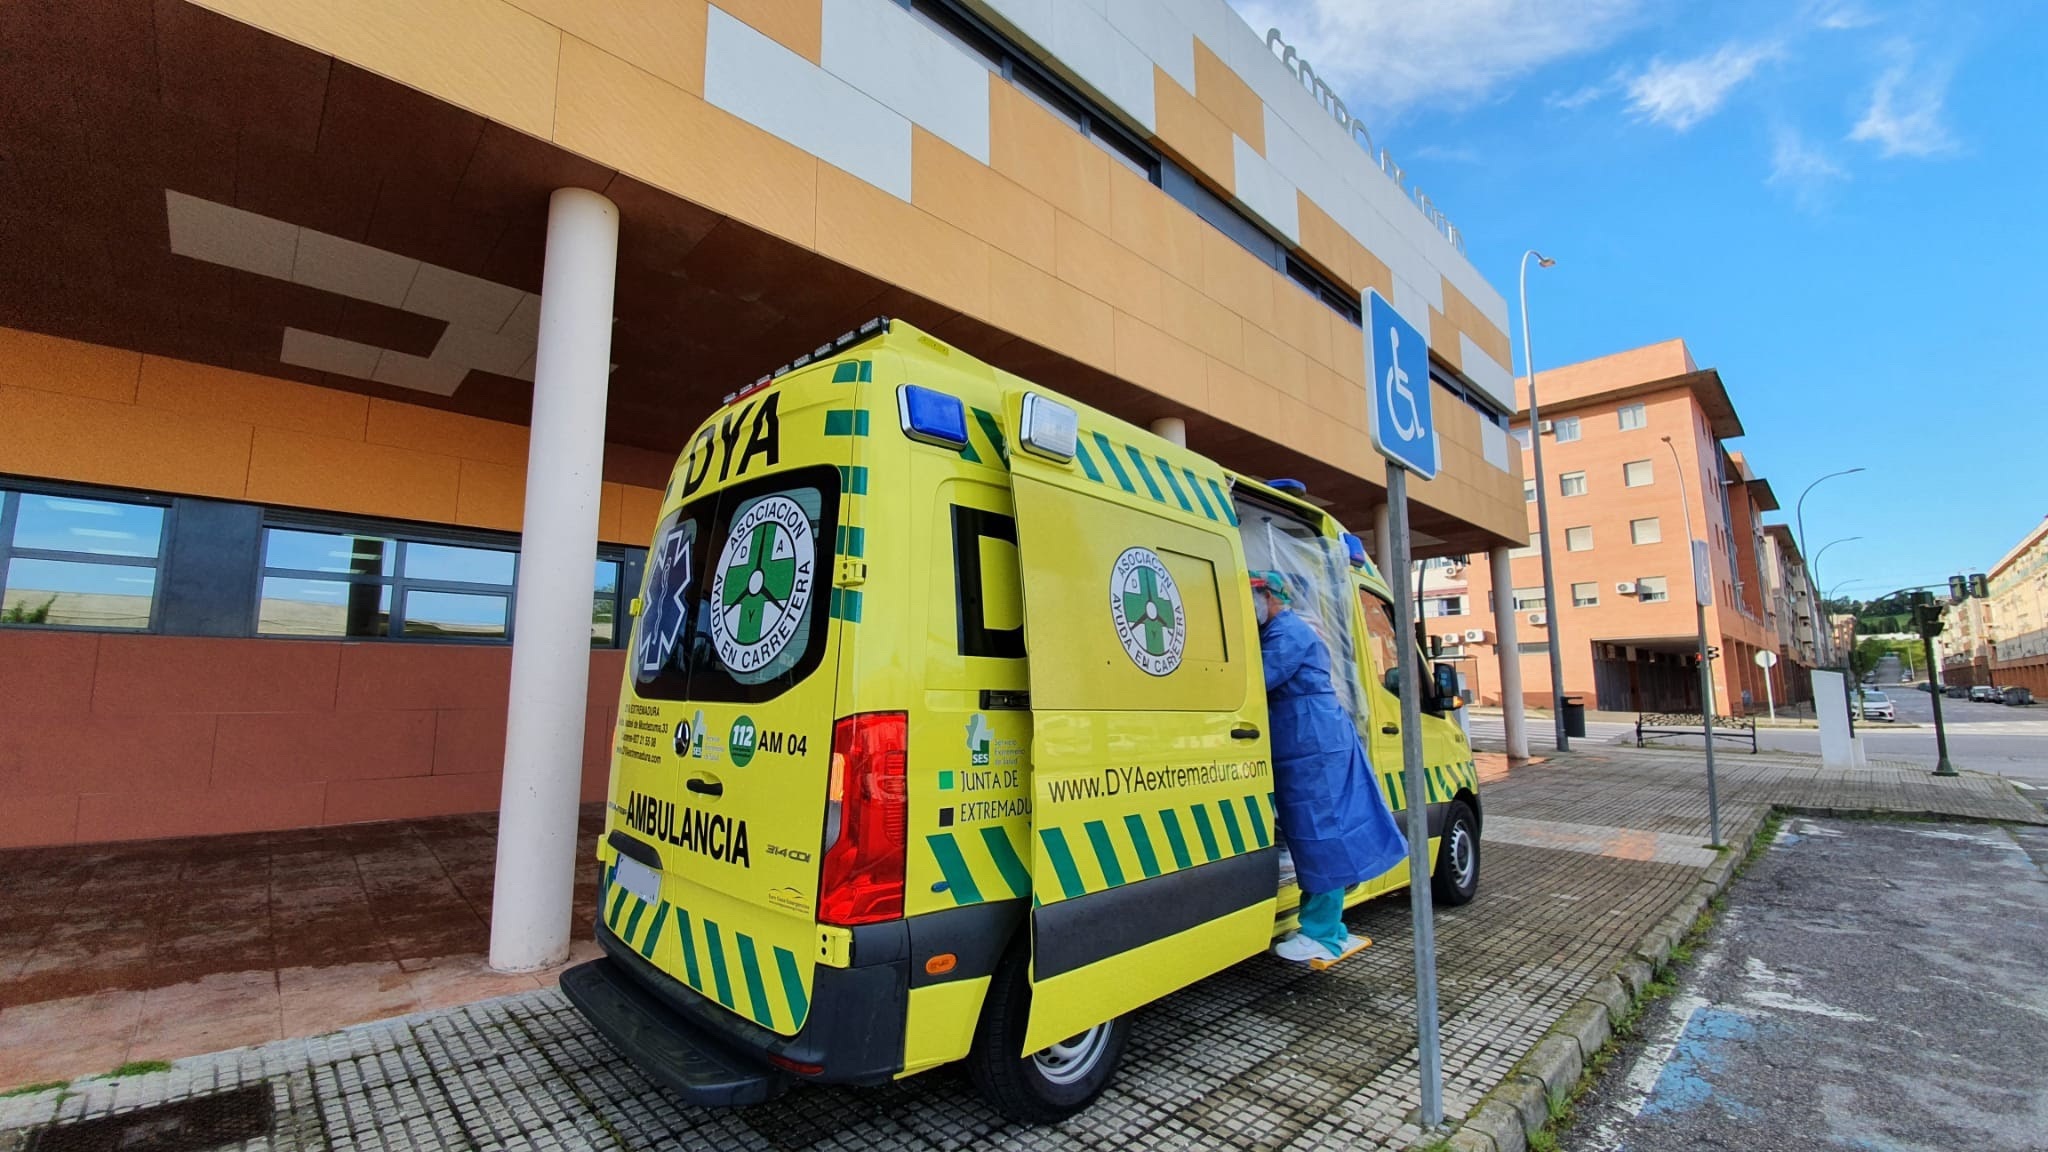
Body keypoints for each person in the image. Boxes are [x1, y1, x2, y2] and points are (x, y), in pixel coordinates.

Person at [1251, 570, 1409, 965]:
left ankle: (1321, 934)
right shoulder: (1283, 630)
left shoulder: (1288, 633)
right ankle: (1329, 928)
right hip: (1310, 740)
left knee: (1321, 833)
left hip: (1313, 744)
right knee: (1321, 830)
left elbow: (1259, 679)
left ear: (1271, 596)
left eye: (1254, 594)